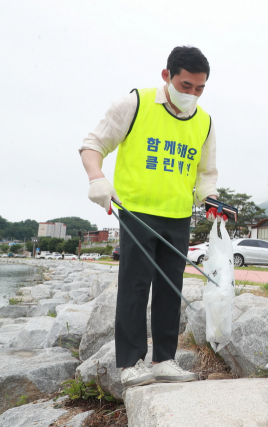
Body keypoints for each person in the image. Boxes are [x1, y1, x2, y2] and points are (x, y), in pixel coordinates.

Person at [79, 46, 218, 388]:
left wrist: (212, 200)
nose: (192, 94)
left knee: (172, 288)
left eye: (199, 88)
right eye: (186, 86)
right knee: (135, 285)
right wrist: (96, 178)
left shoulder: (205, 122)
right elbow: (92, 144)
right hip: (137, 211)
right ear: (166, 76)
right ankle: (130, 363)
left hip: (178, 215)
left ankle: (164, 360)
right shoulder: (135, 103)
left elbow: (206, 175)